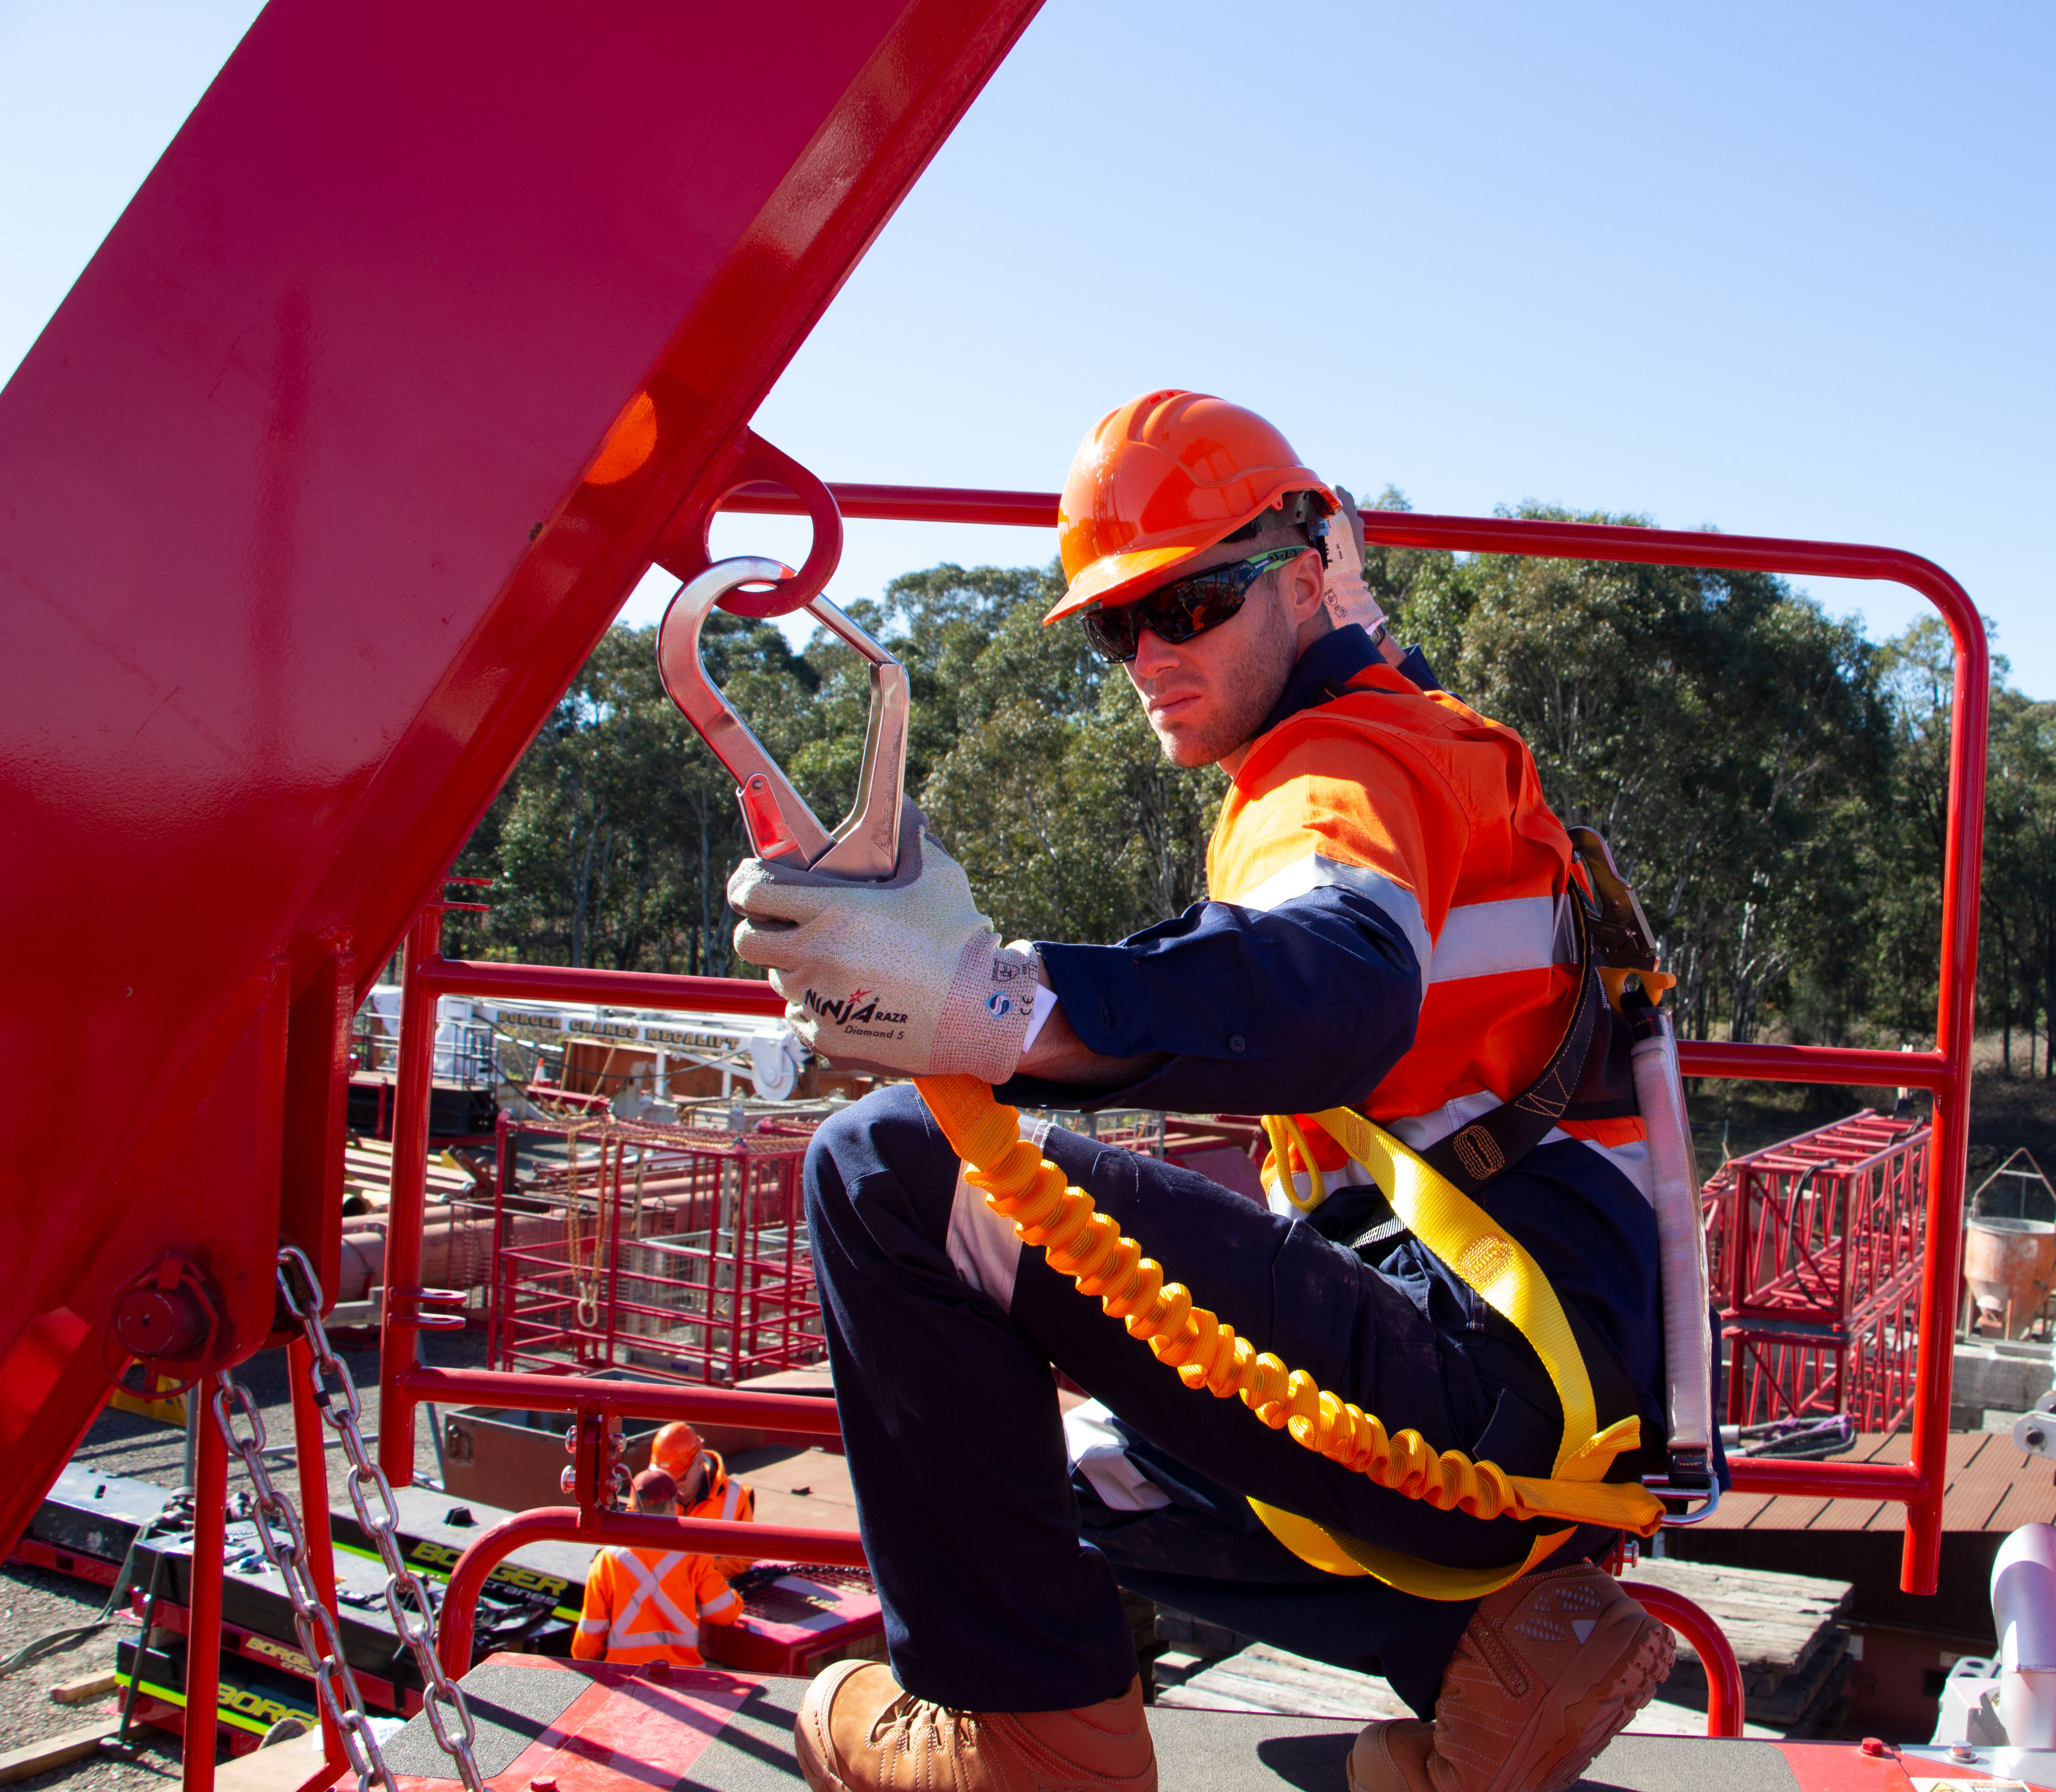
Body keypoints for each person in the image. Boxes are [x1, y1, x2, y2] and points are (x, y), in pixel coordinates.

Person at [731, 391, 1676, 1792]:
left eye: (1190, 605)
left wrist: (995, 1004)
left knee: (884, 1169)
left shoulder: (1330, 768)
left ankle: (1029, 1735)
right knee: (1062, 1481)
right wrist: (1339, 601)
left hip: (1481, 1395)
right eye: (1119, 627)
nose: (1150, 657)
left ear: (1299, 579)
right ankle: (1495, 1652)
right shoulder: (1427, 736)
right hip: (1550, 1416)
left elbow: (1335, 977)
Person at [573, 1467, 746, 1668]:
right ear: (672, 1504)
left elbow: (588, 1641)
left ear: (631, 1504)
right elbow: (724, 1613)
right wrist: (736, 1597)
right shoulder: (694, 1555)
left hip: (625, 1675)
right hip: (682, 1674)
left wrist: (588, 1665)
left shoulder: (607, 1560)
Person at [652, 1420, 760, 1579]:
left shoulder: (737, 1497)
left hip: (708, 1589)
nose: (672, 1484)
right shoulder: (648, 1491)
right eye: (666, 1477)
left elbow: (741, 1562)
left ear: (699, 1463)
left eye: (679, 1477)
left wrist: (689, 1573)